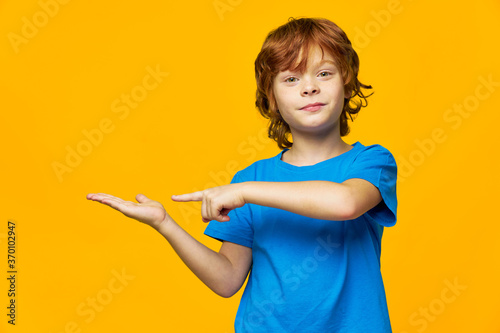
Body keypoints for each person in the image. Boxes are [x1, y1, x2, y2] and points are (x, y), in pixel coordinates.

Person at [87, 16, 398, 332]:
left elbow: (345, 204)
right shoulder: (252, 179)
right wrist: (165, 224)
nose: (310, 87)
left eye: (324, 73)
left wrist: (247, 192)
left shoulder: (370, 161)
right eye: (291, 79)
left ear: (346, 83)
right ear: (272, 99)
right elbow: (226, 279)